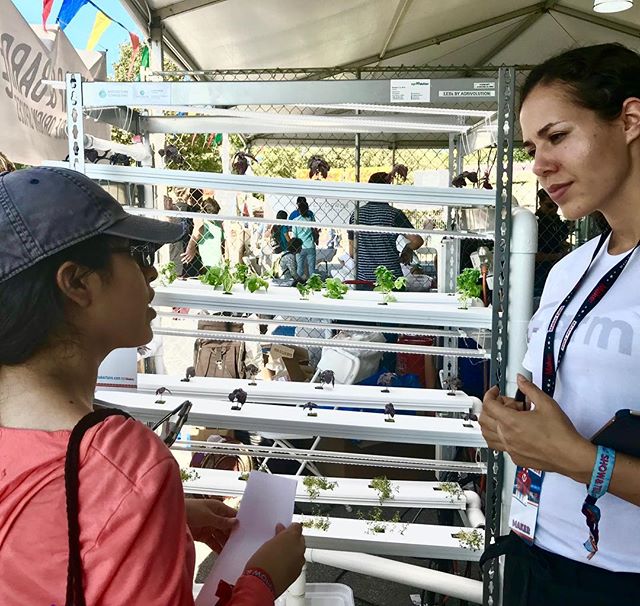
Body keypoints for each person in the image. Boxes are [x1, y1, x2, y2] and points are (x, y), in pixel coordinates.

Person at [0, 167, 306, 606]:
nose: (152, 274)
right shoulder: (122, 466)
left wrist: (160, 519)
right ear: (77, 283)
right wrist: (261, 579)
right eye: (136, 253)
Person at [479, 43, 640, 606]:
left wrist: (575, 459)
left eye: (557, 136)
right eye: (530, 147)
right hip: (538, 552)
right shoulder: (574, 266)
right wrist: (509, 426)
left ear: (629, 120)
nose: (539, 164)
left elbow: (570, 449)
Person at [348, 171, 423, 286]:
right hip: (391, 278)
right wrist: (407, 249)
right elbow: (417, 240)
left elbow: (352, 252)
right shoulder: (394, 214)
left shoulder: (356, 215)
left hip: (364, 279)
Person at [534, 188, 570, 297]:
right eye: (549, 205)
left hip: (554, 272)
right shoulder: (536, 224)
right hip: (539, 274)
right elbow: (533, 256)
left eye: (556, 205)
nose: (554, 209)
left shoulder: (555, 221)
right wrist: (558, 256)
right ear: (540, 203)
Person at [182, 196, 225, 269]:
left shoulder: (204, 222)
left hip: (209, 262)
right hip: (218, 260)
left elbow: (198, 231)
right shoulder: (218, 224)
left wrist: (191, 246)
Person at [290, 198, 318, 280]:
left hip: (300, 247)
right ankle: (314, 284)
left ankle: (298, 284)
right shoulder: (311, 220)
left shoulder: (295, 221)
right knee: (312, 269)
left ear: (298, 210)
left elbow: (294, 236)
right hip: (310, 245)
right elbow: (314, 231)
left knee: (300, 269)